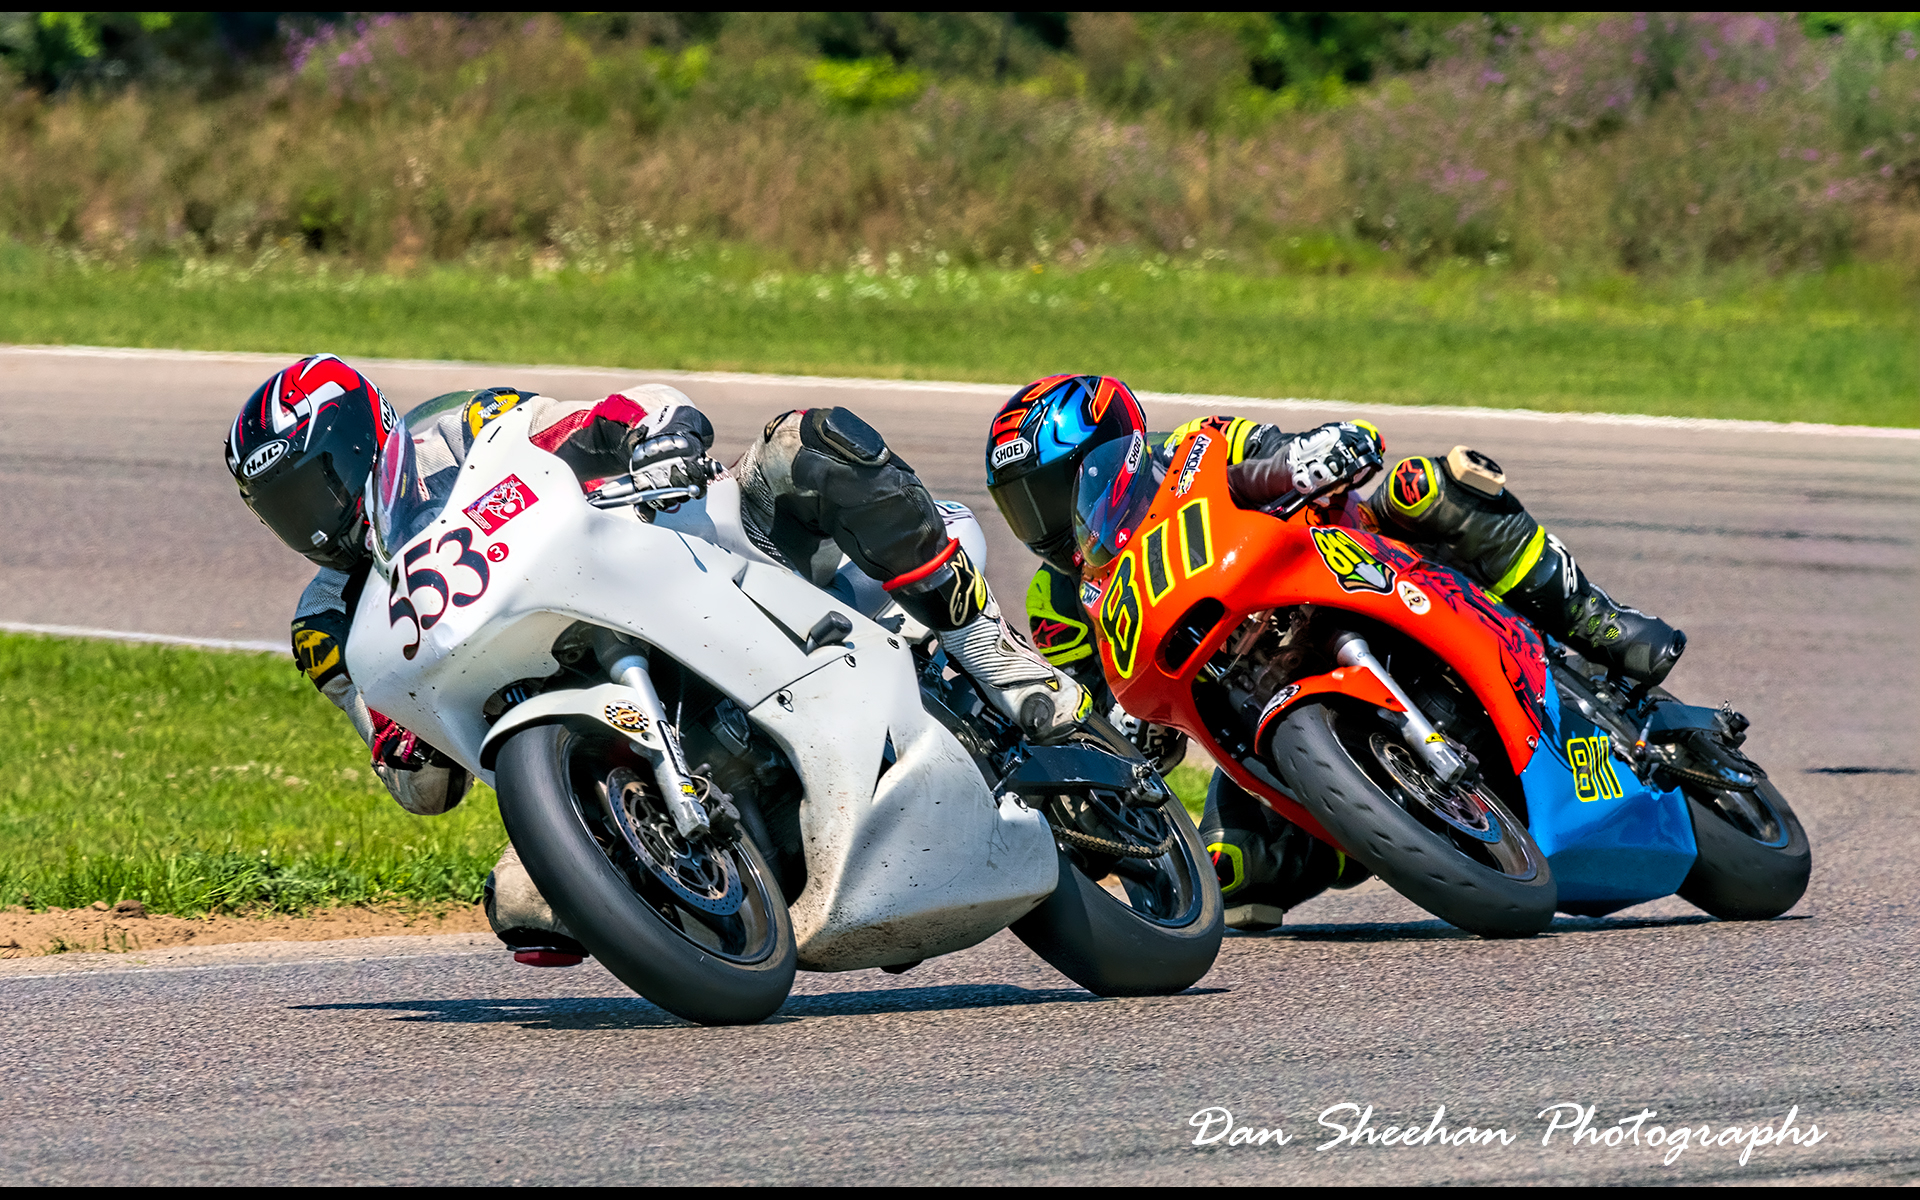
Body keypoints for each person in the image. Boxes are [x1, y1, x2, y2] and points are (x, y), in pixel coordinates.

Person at [226, 355, 1090, 964]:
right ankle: (715, 889)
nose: (315, 518)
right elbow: (418, 784)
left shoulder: (463, 433)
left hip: (676, 554)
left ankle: (989, 652)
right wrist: (403, 747)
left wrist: (653, 434)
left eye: (319, 482)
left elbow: (603, 417)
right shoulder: (331, 626)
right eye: (284, 505)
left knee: (811, 444)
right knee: (524, 907)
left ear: (363, 440)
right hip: (585, 718)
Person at [982, 373, 1688, 931]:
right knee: (1229, 873)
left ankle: (1598, 620)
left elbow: (1285, 452)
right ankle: (1380, 820)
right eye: (1023, 505)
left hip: (1350, 572)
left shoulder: (1195, 448)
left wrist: (1317, 453)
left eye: (1054, 491)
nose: (1042, 522)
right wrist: (1125, 738)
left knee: (1426, 487)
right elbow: (1092, 719)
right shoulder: (1061, 604)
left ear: (1115, 456)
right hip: (1260, 717)